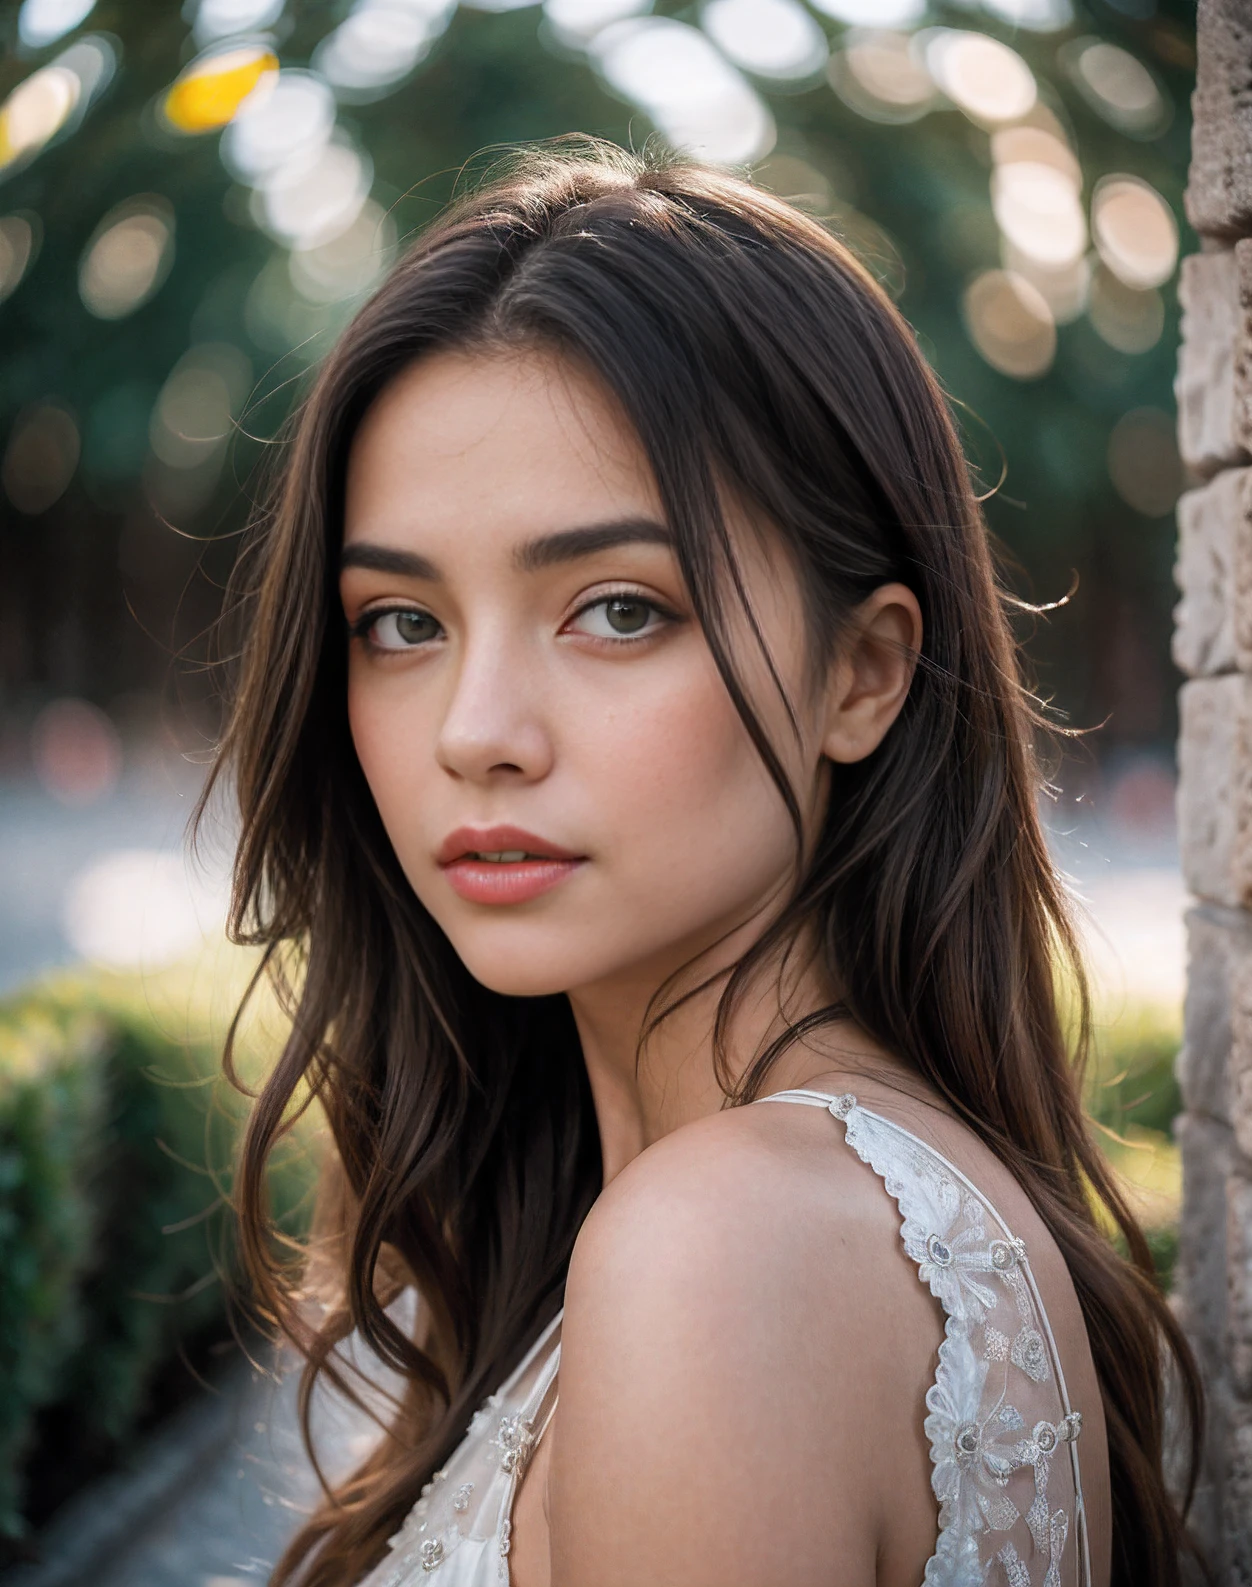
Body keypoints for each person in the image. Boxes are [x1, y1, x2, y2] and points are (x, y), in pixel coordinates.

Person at [204, 139, 1200, 1587]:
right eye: (401, 622)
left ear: (863, 673)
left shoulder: (722, 1253)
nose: (476, 733)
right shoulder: (825, 1210)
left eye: (616, 609)